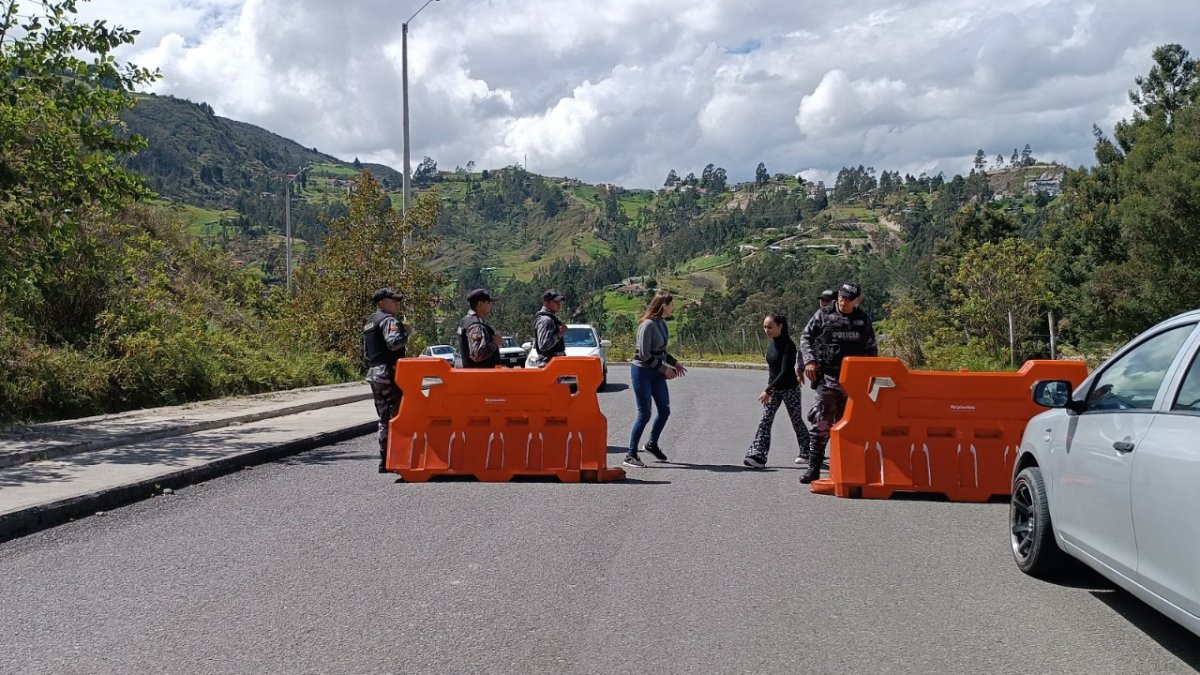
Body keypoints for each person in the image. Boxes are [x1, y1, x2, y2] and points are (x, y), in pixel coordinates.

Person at [798, 281, 878, 483]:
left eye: (848, 299)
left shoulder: (863, 320)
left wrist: (872, 376)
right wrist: (809, 360)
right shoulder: (824, 314)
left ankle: (847, 469)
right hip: (829, 378)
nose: (843, 301)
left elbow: (871, 350)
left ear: (857, 300)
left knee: (849, 426)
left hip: (854, 382)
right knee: (821, 424)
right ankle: (813, 469)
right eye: (841, 297)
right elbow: (806, 337)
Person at [624, 291, 687, 468]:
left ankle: (652, 444)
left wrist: (674, 363)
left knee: (665, 410)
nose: (673, 307)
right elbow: (644, 355)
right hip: (642, 372)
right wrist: (664, 369)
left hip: (656, 372)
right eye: (671, 304)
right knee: (644, 413)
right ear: (663, 306)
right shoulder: (648, 325)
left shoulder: (662, 323)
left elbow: (660, 351)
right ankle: (630, 454)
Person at [743, 314, 810, 469]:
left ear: (780, 327)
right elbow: (773, 370)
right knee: (765, 420)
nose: (767, 330)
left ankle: (807, 451)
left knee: (796, 420)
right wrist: (771, 388)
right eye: (765, 327)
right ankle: (757, 455)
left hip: (789, 388)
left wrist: (768, 389)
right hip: (773, 388)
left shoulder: (789, 346)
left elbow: (785, 371)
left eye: (770, 327)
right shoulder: (772, 344)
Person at [363, 288, 410, 472]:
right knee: (396, 417)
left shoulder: (369, 322)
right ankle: (395, 460)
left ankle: (385, 460)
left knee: (383, 419)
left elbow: (367, 353)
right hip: (388, 374)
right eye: (393, 301)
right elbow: (394, 343)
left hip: (374, 373)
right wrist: (405, 333)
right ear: (382, 302)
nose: (397, 304)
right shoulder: (388, 320)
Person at [794, 288, 838, 464]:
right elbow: (805, 341)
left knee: (832, 417)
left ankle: (826, 454)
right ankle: (815, 455)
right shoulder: (819, 318)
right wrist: (800, 368)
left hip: (842, 376)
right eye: (822, 300)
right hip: (822, 375)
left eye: (827, 300)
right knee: (819, 415)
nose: (823, 303)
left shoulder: (845, 319)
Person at [458, 288, 503, 368]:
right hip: (481, 376)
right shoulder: (475, 325)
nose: (490, 305)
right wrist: (495, 343)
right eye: (488, 302)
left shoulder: (465, 321)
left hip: (474, 375)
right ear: (480, 304)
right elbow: (477, 354)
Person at [531, 288, 568, 368]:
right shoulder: (546, 320)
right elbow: (544, 346)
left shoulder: (550, 318)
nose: (559, 304)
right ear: (546, 303)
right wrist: (560, 334)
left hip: (553, 364)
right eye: (555, 301)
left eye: (559, 301)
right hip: (549, 365)